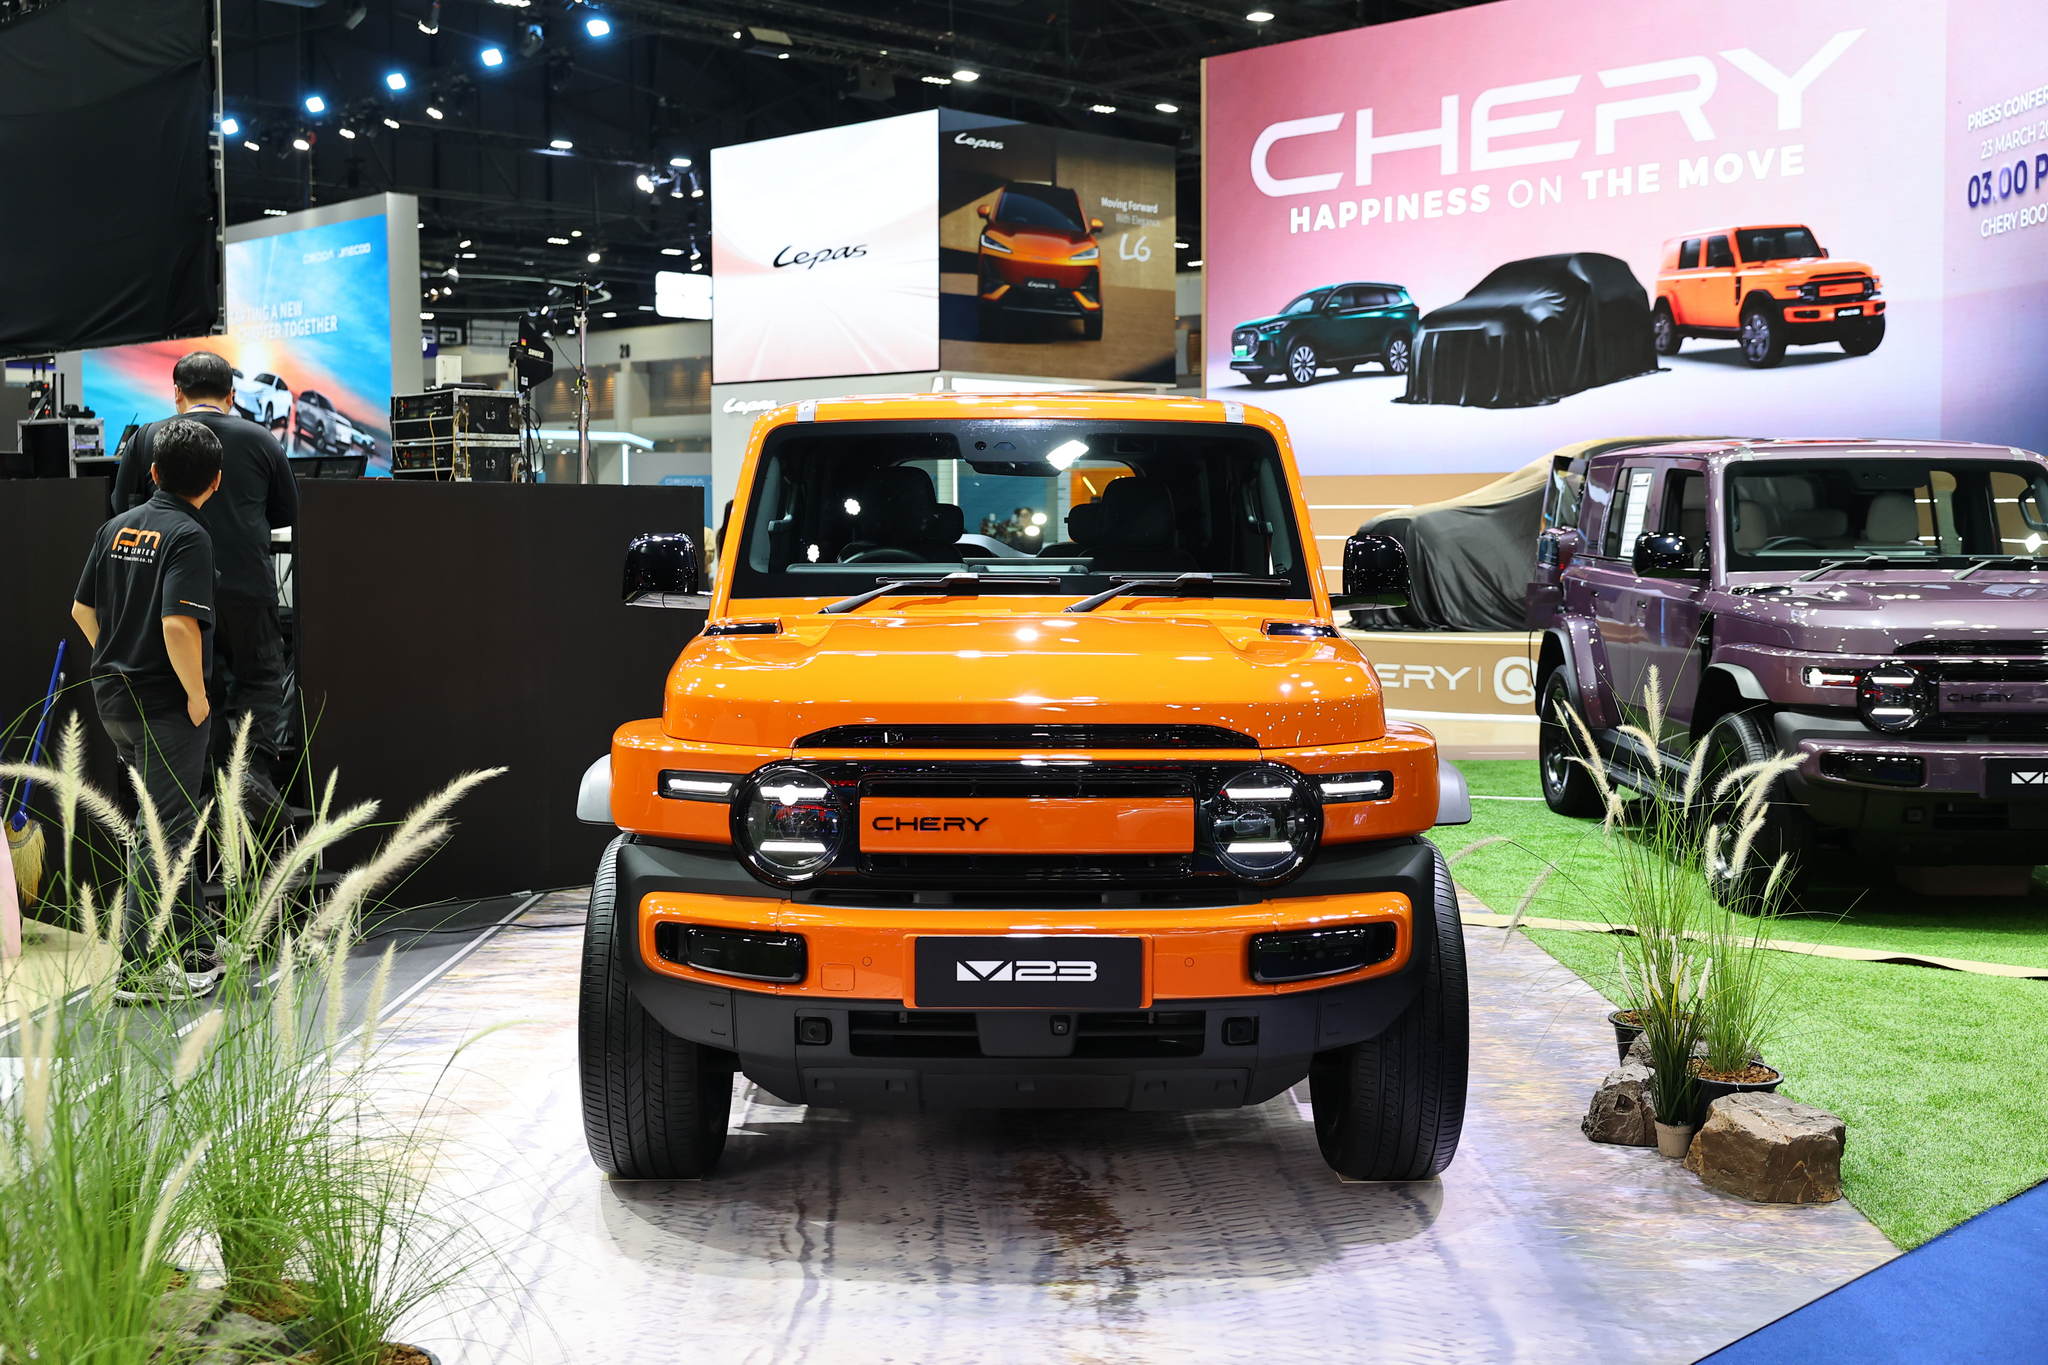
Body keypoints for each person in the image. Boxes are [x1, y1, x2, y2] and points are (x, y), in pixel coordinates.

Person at [73, 419, 225, 1003]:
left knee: (165, 820)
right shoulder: (190, 535)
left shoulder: (115, 527)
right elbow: (178, 625)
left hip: (113, 699)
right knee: (163, 831)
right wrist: (197, 695)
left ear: (153, 472)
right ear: (215, 482)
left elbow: (82, 611)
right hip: (165, 705)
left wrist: (118, 660)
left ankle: (195, 947)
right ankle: (136, 972)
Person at [113, 351, 297, 800]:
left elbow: (123, 506)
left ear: (177, 392)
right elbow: (286, 512)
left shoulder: (149, 437)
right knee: (260, 676)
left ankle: (206, 778)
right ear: (231, 396)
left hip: (176, 590)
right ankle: (251, 772)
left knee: (195, 684)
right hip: (248, 585)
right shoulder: (262, 439)